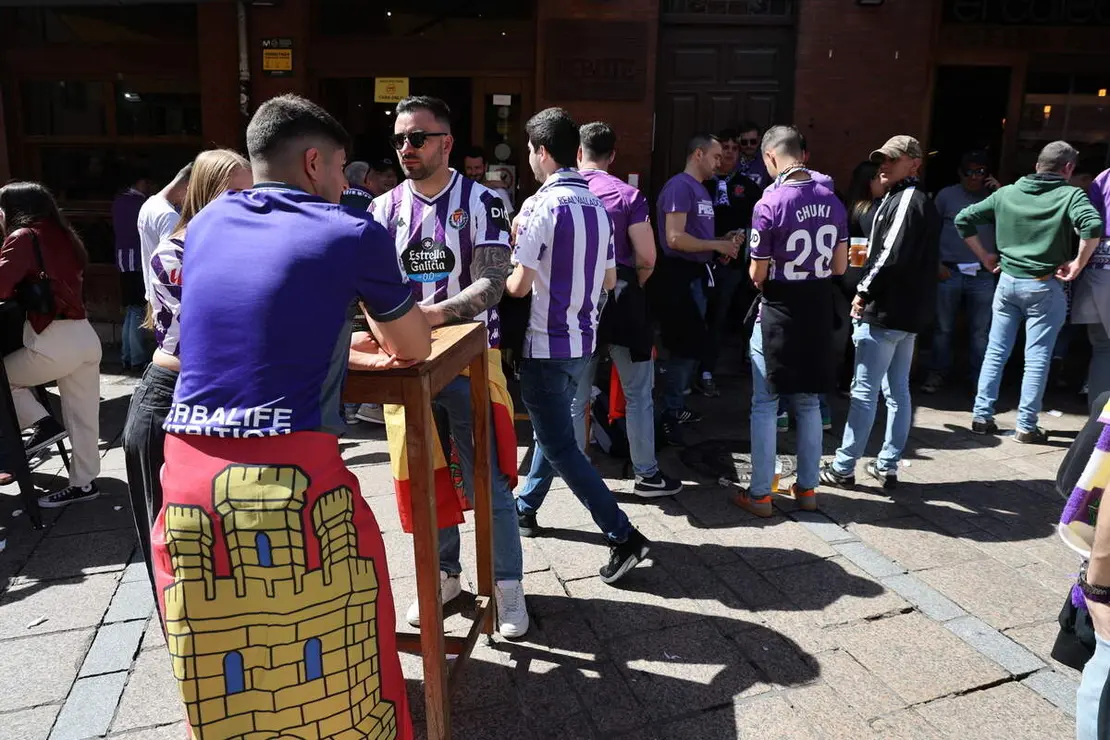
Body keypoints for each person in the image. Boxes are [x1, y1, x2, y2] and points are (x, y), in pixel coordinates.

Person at [153, 94, 427, 739]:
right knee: (345, 663)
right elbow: (411, 347)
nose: (344, 185)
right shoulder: (353, 231)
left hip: (184, 470)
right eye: (340, 172)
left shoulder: (211, 220)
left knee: (223, 675)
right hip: (287, 479)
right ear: (313, 163)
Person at [370, 95, 528, 639]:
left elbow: (491, 283)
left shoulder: (486, 202)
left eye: (417, 137)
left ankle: (507, 584)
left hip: (468, 362)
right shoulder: (383, 209)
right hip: (408, 368)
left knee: (490, 478)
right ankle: (443, 575)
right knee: (424, 478)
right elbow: (371, 286)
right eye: (398, 139)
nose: (406, 148)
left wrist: (427, 315)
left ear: (447, 143)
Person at [509, 107, 651, 585]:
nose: (530, 160)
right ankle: (525, 507)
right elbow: (611, 278)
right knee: (555, 436)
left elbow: (518, 287)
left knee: (561, 445)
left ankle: (623, 535)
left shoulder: (539, 207)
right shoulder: (597, 204)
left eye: (530, 151)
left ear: (542, 152)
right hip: (583, 338)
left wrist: (508, 258)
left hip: (545, 342)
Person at [123, 149, 251, 597]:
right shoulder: (175, 252)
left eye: (251, 195)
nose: (244, 204)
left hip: (227, 405)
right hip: (171, 403)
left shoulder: (252, 250)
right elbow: (197, 344)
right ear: (203, 194)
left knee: (228, 560)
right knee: (175, 562)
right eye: (232, 194)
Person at [545, 121, 683, 497]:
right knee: (638, 392)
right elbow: (648, 256)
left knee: (576, 392)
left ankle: (575, 469)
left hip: (576, 299)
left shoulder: (560, 194)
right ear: (613, 156)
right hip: (622, 295)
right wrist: (635, 282)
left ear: (577, 153)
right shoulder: (628, 195)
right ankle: (647, 474)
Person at [957, 140, 1103, 444]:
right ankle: (1026, 425)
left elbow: (963, 219)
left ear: (1037, 165)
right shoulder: (1071, 195)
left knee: (995, 351)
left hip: (1008, 282)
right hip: (1044, 284)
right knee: (1037, 358)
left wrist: (984, 256)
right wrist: (1077, 263)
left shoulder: (1007, 192)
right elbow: (1092, 225)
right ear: (1068, 169)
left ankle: (981, 416)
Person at [820, 135, 940, 490]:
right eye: (881, 159)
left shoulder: (906, 199)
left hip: (888, 310)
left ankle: (844, 466)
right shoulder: (913, 199)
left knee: (865, 390)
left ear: (913, 163)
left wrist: (862, 290)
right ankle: (887, 463)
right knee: (896, 390)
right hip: (906, 312)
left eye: (892, 159)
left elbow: (888, 254)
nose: (883, 164)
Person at [740, 126, 848, 517]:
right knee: (808, 403)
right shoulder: (833, 200)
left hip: (780, 309)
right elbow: (839, 266)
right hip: (817, 309)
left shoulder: (770, 202)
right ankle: (807, 491)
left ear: (770, 156)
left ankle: (759, 496)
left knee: (765, 403)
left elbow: (757, 275)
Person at [0, 182, 103, 506]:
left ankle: (43, 423)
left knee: (4, 381)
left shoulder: (22, 238)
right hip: (85, 335)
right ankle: (84, 485)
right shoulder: (65, 235)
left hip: (53, 340)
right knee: (84, 416)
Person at [653, 134, 741, 439]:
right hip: (681, 276)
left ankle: (675, 407)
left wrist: (721, 243)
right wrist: (716, 244)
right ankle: (668, 413)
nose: (721, 162)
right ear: (699, 154)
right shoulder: (680, 186)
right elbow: (675, 237)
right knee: (682, 346)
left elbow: (696, 236)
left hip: (699, 274)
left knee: (691, 345)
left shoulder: (701, 189)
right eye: (716, 156)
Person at [921, 151, 1000, 395]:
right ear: (960, 172)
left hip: (984, 273)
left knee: (981, 331)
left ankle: (980, 380)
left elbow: (1017, 223)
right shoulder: (946, 195)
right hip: (950, 270)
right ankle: (937, 373)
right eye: (970, 171)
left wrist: (1001, 192)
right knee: (943, 327)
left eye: (981, 172)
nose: (975, 177)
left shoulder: (997, 197)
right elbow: (929, 231)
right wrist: (935, 263)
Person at [700, 128, 762, 399]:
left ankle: (729, 366)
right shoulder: (701, 183)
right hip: (702, 261)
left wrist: (740, 241)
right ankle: (700, 370)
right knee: (705, 316)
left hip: (736, 263)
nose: (729, 153)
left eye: (734, 148)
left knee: (732, 317)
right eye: (724, 147)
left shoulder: (748, 187)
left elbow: (759, 224)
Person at [837, 161, 885, 391]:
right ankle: (852, 380)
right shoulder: (871, 211)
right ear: (869, 182)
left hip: (845, 272)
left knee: (847, 331)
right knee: (859, 332)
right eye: (878, 178)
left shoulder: (848, 206)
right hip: (860, 275)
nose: (883, 182)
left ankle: (845, 379)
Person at [1071, 167, 1110, 409]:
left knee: (1103, 350)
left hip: (1096, 269)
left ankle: (1097, 427)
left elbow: (1085, 225)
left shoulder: (1104, 177)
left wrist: (1079, 262)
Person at [113, 170, 153, 371]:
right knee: (137, 309)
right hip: (137, 259)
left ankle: (127, 355)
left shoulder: (119, 201)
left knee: (131, 310)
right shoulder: (140, 204)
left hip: (122, 259)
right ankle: (136, 357)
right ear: (139, 182)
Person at [136, 162, 190, 303]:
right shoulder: (169, 216)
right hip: (166, 298)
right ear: (187, 186)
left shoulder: (149, 204)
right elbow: (171, 262)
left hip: (152, 289)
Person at [463, 145, 515, 215]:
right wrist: (490, 184)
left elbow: (505, 184)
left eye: (477, 168)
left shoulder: (496, 185)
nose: (473, 173)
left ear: (486, 166)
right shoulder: (459, 184)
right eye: (469, 168)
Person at [734, 121, 770, 187]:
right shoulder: (732, 159)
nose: (748, 145)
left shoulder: (767, 161)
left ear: (759, 140)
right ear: (738, 141)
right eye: (744, 142)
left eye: (753, 141)